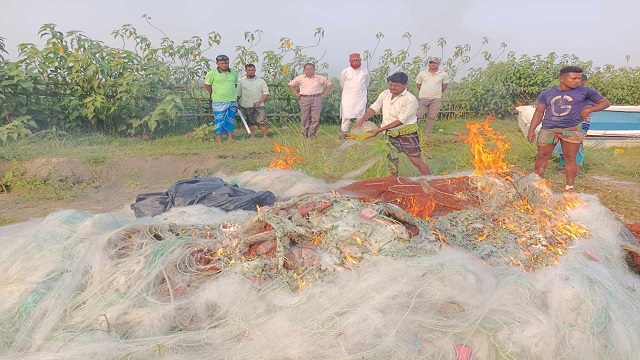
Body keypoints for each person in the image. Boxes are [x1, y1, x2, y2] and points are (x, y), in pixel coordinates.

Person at [527, 66, 610, 192]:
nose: (577, 81)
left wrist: (589, 109)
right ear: (562, 78)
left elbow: (605, 103)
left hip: (572, 129)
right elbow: (539, 113)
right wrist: (531, 130)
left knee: (570, 157)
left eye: (579, 78)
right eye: (574, 78)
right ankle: (537, 183)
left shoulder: (586, 91)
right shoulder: (547, 94)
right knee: (542, 156)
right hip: (549, 128)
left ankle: (569, 187)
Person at [354, 72, 431, 176]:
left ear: (405, 85)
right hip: (389, 132)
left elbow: (400, 120)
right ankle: (394, 181)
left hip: (406, 133)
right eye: (391, 84)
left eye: (396, 85)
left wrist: (378, 131)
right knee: (391, 159)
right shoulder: (385, 94)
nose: (393, 87)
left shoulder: (410, 99)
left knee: (415, 161)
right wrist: (361, 120)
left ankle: (431, 180)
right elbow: (374, 108)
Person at [553, 74, 592, 174]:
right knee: (563, 146)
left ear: (583, 82)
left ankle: (577, 170)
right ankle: (566, 168)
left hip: (579, 124)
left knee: (576, 147)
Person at [288, 63, 332, 139]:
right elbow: (290, 84)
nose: (309, 71)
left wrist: (324, 94)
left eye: (311, 69)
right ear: (304, 70)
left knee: (315, 118)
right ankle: (304, 134)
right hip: (304, 98)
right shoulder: (300, 78)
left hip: (316, 98)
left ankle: (313, 134)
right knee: (305, 117)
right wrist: (296, 93)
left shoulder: (319, 78)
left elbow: (329, 85)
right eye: (307, 69)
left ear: (314, 69)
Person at [204, 55, 239, 143]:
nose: (224, 65)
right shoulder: (212, 73)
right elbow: (207, 85)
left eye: (226, 63)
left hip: (231, 100)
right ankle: (218, 138)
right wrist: (214, 93)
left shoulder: (234, 73)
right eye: (222, 63)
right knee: (219, 120)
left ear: (228, 63)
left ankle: (230, 137)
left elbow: (235, 85)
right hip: (218, 101)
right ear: (217, 63)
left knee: (230, 119)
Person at [415, 57, 449, 135]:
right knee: (418, 115)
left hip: (436, 98)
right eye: (431, 63)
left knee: (432, 116)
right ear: (429, 64)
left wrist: (437, 92)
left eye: (435, 63)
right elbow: (418, 85)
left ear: (438, 64)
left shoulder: (443, 74)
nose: (432, 64)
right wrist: (425, 91)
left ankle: (427, 133)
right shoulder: (422, 74)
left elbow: (444, 86)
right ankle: (413, 132)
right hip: (423, 97)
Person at [339, 53, 370, 139]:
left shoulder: (365, 71)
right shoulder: (345, 71)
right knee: (346, 115)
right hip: (348, 97)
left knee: (360, 115)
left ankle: (359, 133)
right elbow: (342, 84)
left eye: (358, 60)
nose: (356, 62)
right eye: (354, 60)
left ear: (360, 60)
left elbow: (366, 83)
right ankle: (344, 133)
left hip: (360, 97)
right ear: (350, 61)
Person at [237, 63, 270, 139]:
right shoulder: (241, 81)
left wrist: (259, 102)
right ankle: (252, 136)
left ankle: (265, 135)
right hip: (246, 104)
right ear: (246, 71)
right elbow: (238, 94)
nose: (251, 72)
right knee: (250, 121)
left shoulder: (261, 81)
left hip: (259, 105)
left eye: (252, 70)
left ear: (255, 70)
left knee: (261, 120)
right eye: (249, 70)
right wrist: (237, 102)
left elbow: (266, 93)